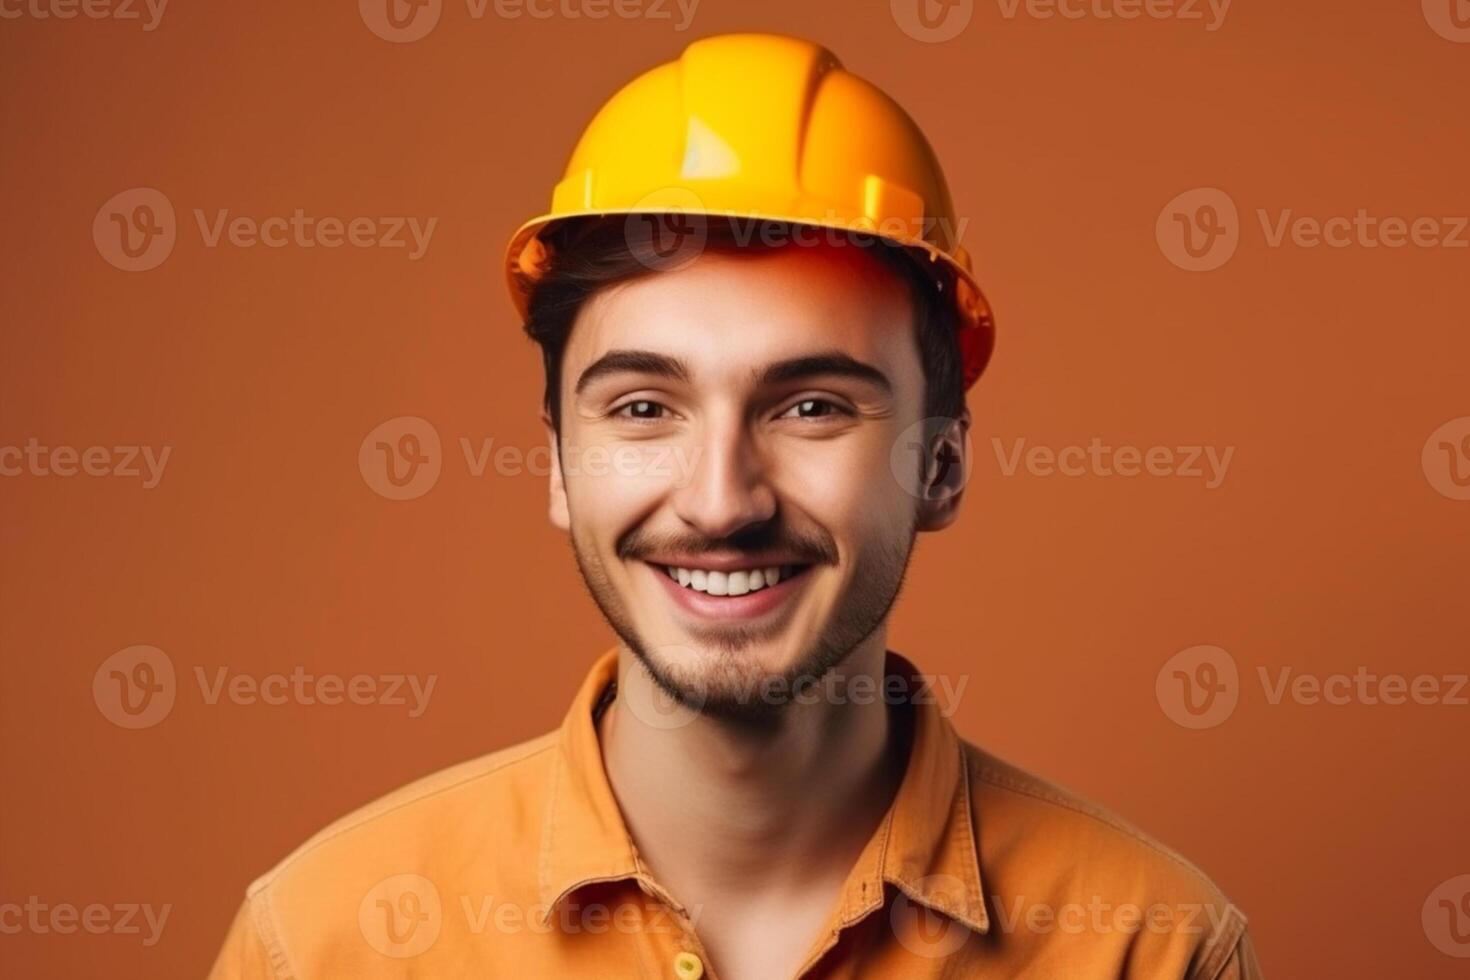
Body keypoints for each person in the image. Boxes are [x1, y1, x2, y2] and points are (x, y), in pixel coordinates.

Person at [208, 32, 1262, 980]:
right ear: (560, 465)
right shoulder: (326, 942)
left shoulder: (1151, 947)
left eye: (809, 405)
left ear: (940, 466)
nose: (721, 500)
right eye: (643, 406)